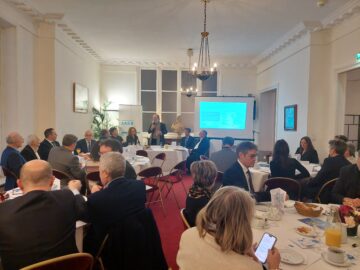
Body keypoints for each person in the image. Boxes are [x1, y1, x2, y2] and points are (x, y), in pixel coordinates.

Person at [0, 160, 87, 270]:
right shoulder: (67, 197)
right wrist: (74, 190)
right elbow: (83, 211)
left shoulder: (2, 211)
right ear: (52, 181)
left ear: (19, 184)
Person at [177, 186, 281, 270]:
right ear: (243, 224)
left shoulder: (188, 235)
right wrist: (273, 267)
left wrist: (241, 252)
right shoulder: (248, 267)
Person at [84, 152, 146, 255]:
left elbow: (87, 218)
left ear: (105, 173)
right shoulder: (139, 186)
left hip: (111, 246)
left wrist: (94, 195)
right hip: (138, 239)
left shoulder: (97, 199)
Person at [183, 160, 217, 227]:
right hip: (202, 231)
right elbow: (213, 224)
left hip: (196, 225)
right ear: (212, 178)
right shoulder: (204, 201)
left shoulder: (194, 190)